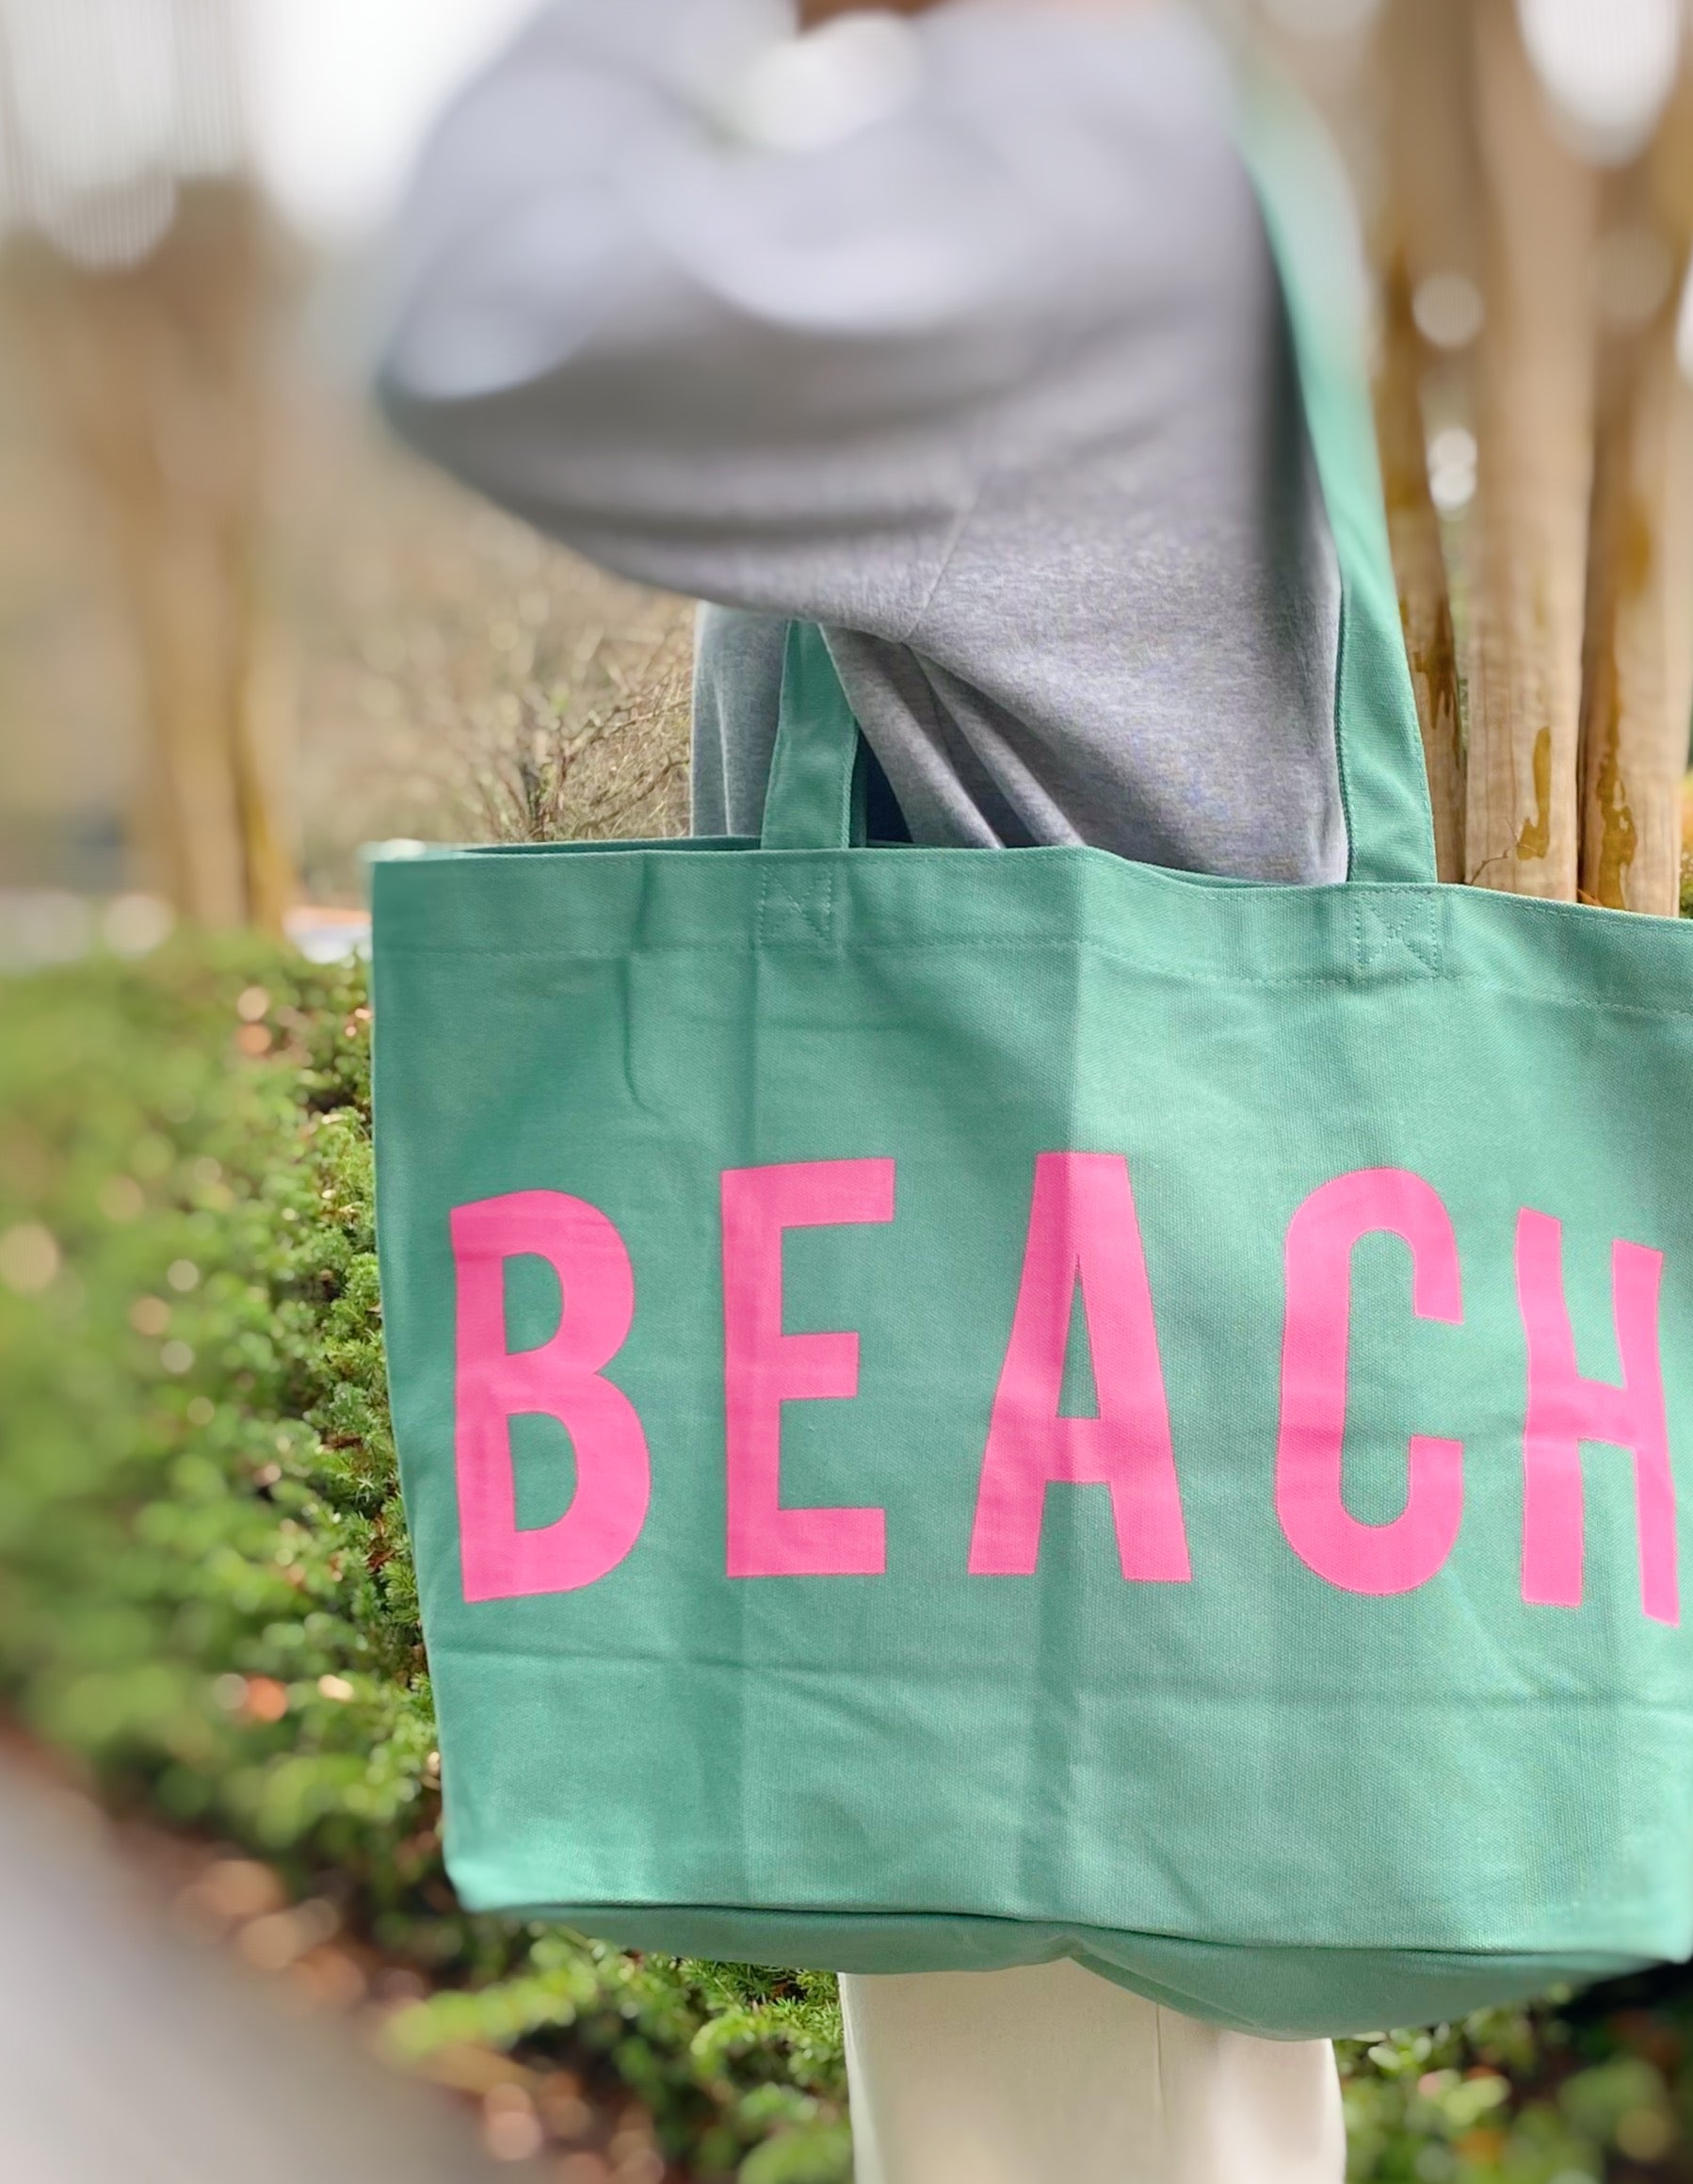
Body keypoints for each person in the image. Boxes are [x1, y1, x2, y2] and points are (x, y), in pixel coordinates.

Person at [379, 1, 1359, 2176]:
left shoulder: (1056, 141)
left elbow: (486, 314)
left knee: (1073, 2097)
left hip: (1036, 1402)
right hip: (1111, 1369)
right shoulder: (1157, 118)